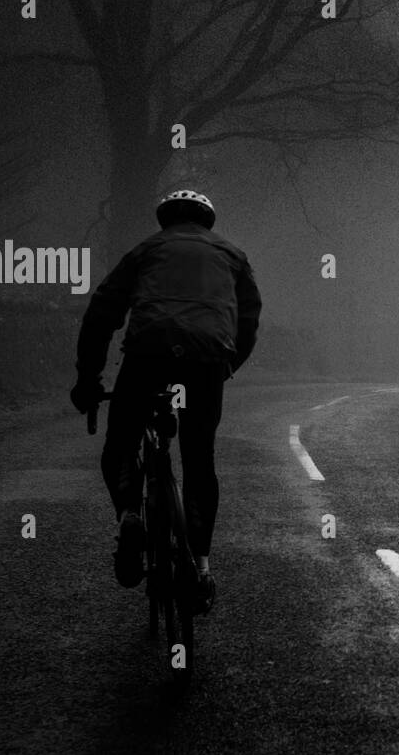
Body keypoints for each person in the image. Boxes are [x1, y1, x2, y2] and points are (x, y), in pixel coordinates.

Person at [68, 190, 262, 612]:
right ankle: (202, 570)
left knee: (120, 443)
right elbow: (249, 319)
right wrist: (226, 367)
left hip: (147, 356)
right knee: (198, 459)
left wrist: (88, 378)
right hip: (206, 362)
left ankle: (129, 518)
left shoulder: (146, 249)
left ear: (165, 221)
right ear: (207, 221)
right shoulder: (232, 254)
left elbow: (101, 312)